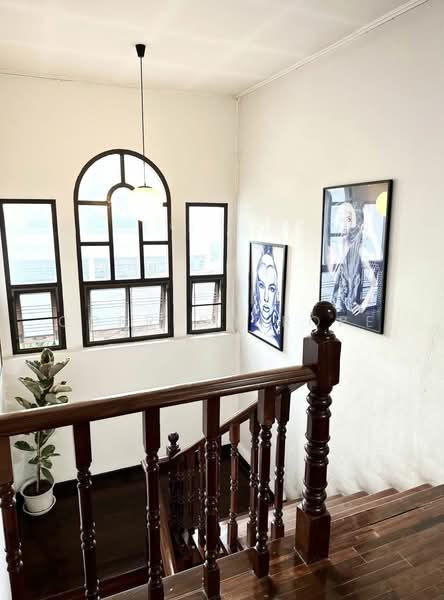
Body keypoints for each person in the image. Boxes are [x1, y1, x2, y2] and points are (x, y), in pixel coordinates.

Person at [328, 199, 377, 325]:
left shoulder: (358, 249)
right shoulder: (332, 249)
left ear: (353, 223)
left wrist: (363, 305)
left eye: (348, 219)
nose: (344, 223)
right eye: (341, 219)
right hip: (332, 315)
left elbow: (373, 283)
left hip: (350, 317)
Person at [250, 245, 281, 346]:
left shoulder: (277, 338)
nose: (266, 298)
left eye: (271, 289)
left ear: (277, 294)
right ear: (256, 289)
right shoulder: (252, 328)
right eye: (262, 286)